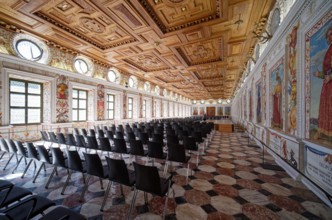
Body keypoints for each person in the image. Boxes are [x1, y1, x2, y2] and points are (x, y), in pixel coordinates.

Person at [314, 26, 332, 139]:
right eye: (328, 35)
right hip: (327, 85)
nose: (329, 37)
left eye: (331, 34)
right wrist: (319, 74)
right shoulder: (329, 50)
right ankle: (323, 132)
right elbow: (326, 72)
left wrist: (330, 76)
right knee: (325, 108)